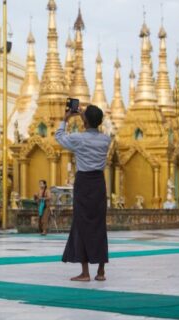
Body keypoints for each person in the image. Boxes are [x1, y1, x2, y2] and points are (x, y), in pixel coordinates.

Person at [55, 104, 111, 282]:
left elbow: (59, 137)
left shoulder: (79, 139)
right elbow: (92, 127)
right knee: (99, 225)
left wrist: (66, 119)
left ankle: (85, 272)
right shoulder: (105, 140)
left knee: (82, 224)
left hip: (84, 183)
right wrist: (85, 116)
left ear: (84, 120)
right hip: (98, 184)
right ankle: (101, 271)